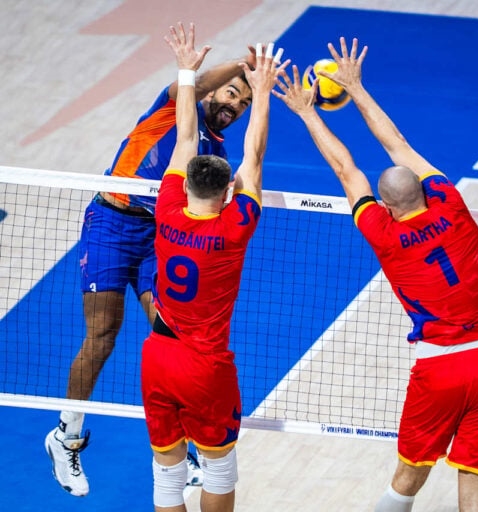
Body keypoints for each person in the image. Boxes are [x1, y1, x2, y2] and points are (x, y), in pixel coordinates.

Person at [274, 37, 478, 512]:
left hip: (438, 368)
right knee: (476, 470)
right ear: (425, 190)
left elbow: (346, 170)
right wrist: (357, 88)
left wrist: (307, 112)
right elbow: (397, 144)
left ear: (385, 205)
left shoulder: (382, 232)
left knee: (408, 475)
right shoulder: (452, 206)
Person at [44, 25, 260, 497]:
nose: (235, 106)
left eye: (244, 103)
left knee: (171, 333)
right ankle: (65, 437)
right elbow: (193, 86)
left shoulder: (216, 153)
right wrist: (243, 67)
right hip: (111, 223)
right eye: (231, 94)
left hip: (157, 236)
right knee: (102, 334)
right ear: (211, 90)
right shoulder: (173, 108)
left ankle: (185, 448)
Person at [140, 23, 285, 512]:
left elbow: (185, 135)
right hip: (205, 365)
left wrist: (187, 71)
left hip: (158, 356)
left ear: (184, 186)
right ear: (227, 193)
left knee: (167, 472)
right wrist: (261, 93)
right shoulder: (233, 228)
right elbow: (253, 155)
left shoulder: (167, 209)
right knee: (219, 469)